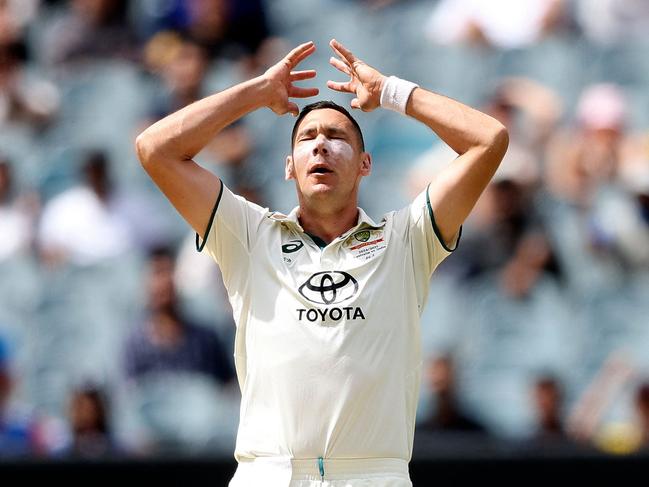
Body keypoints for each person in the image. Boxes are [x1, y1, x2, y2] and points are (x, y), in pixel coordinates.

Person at [136, 39, 508, 487]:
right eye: (307, 138)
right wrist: (255, 93)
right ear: (289, 166)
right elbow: (154, 148)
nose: (321, 147)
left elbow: (490, 140)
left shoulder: (407, 239)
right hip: (268, 474)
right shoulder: (249, 235)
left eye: (337, 137)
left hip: (374, 476)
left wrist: (391, 91)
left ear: (366, 163)